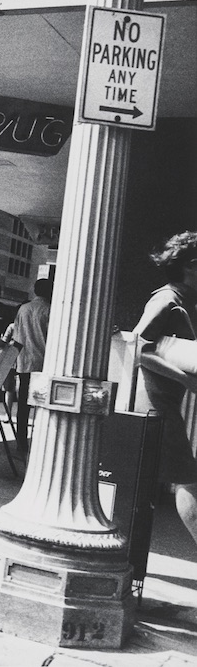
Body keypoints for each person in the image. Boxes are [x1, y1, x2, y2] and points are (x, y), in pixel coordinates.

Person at [132, 230, 197, 546]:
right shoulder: (167, 299)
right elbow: (138, 349)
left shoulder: (184, 301)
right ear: (191, 265)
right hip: (155, 402)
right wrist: (185, 379)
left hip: (164, 400)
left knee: (145, 482)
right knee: (188, 479)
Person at [2, 278, 52, 456]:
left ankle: (21, 442)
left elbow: (16, 334)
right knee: (42, 406)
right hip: (43, 364)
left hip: (24, 363)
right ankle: (38, 441)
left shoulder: (23, 309)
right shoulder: (50, 310)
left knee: (23, 406)